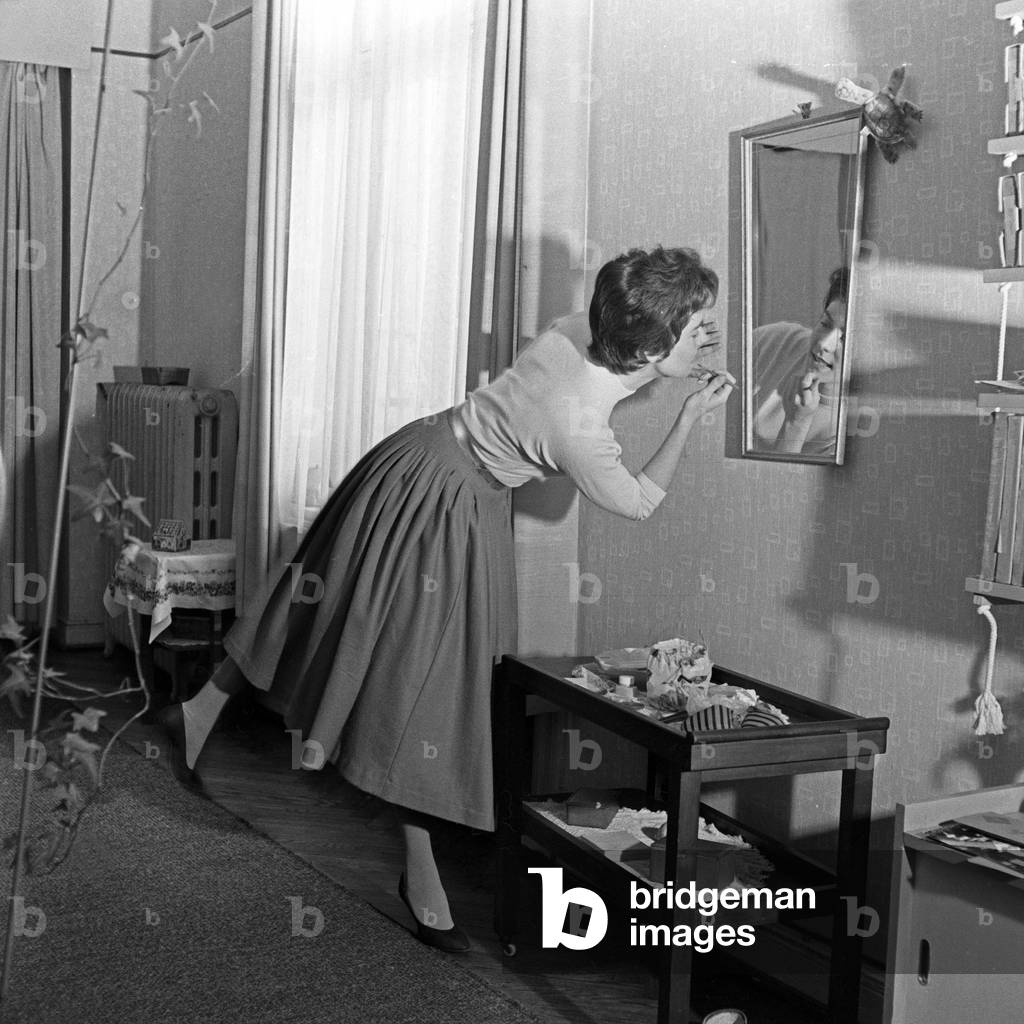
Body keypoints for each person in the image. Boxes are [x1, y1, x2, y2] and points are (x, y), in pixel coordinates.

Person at [156, 245, 734, 952]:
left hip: (418, 455)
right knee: (430, 686)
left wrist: (667, 355)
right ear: (647, 347)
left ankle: (198, 711)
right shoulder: (579, 428)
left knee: (316, 602)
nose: (708, 336)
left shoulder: (573, 330)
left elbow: (612, 371)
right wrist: (689, 415)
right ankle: (421, 877)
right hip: (447, 503)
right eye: (697, 326)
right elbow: (639, 501)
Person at [751, 266, 849, 456]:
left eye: (844, 338)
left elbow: (780, 475)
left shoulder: (849, 432)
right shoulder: (778, 340)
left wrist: (796, 423)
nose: (824, 344)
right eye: (825, 324)